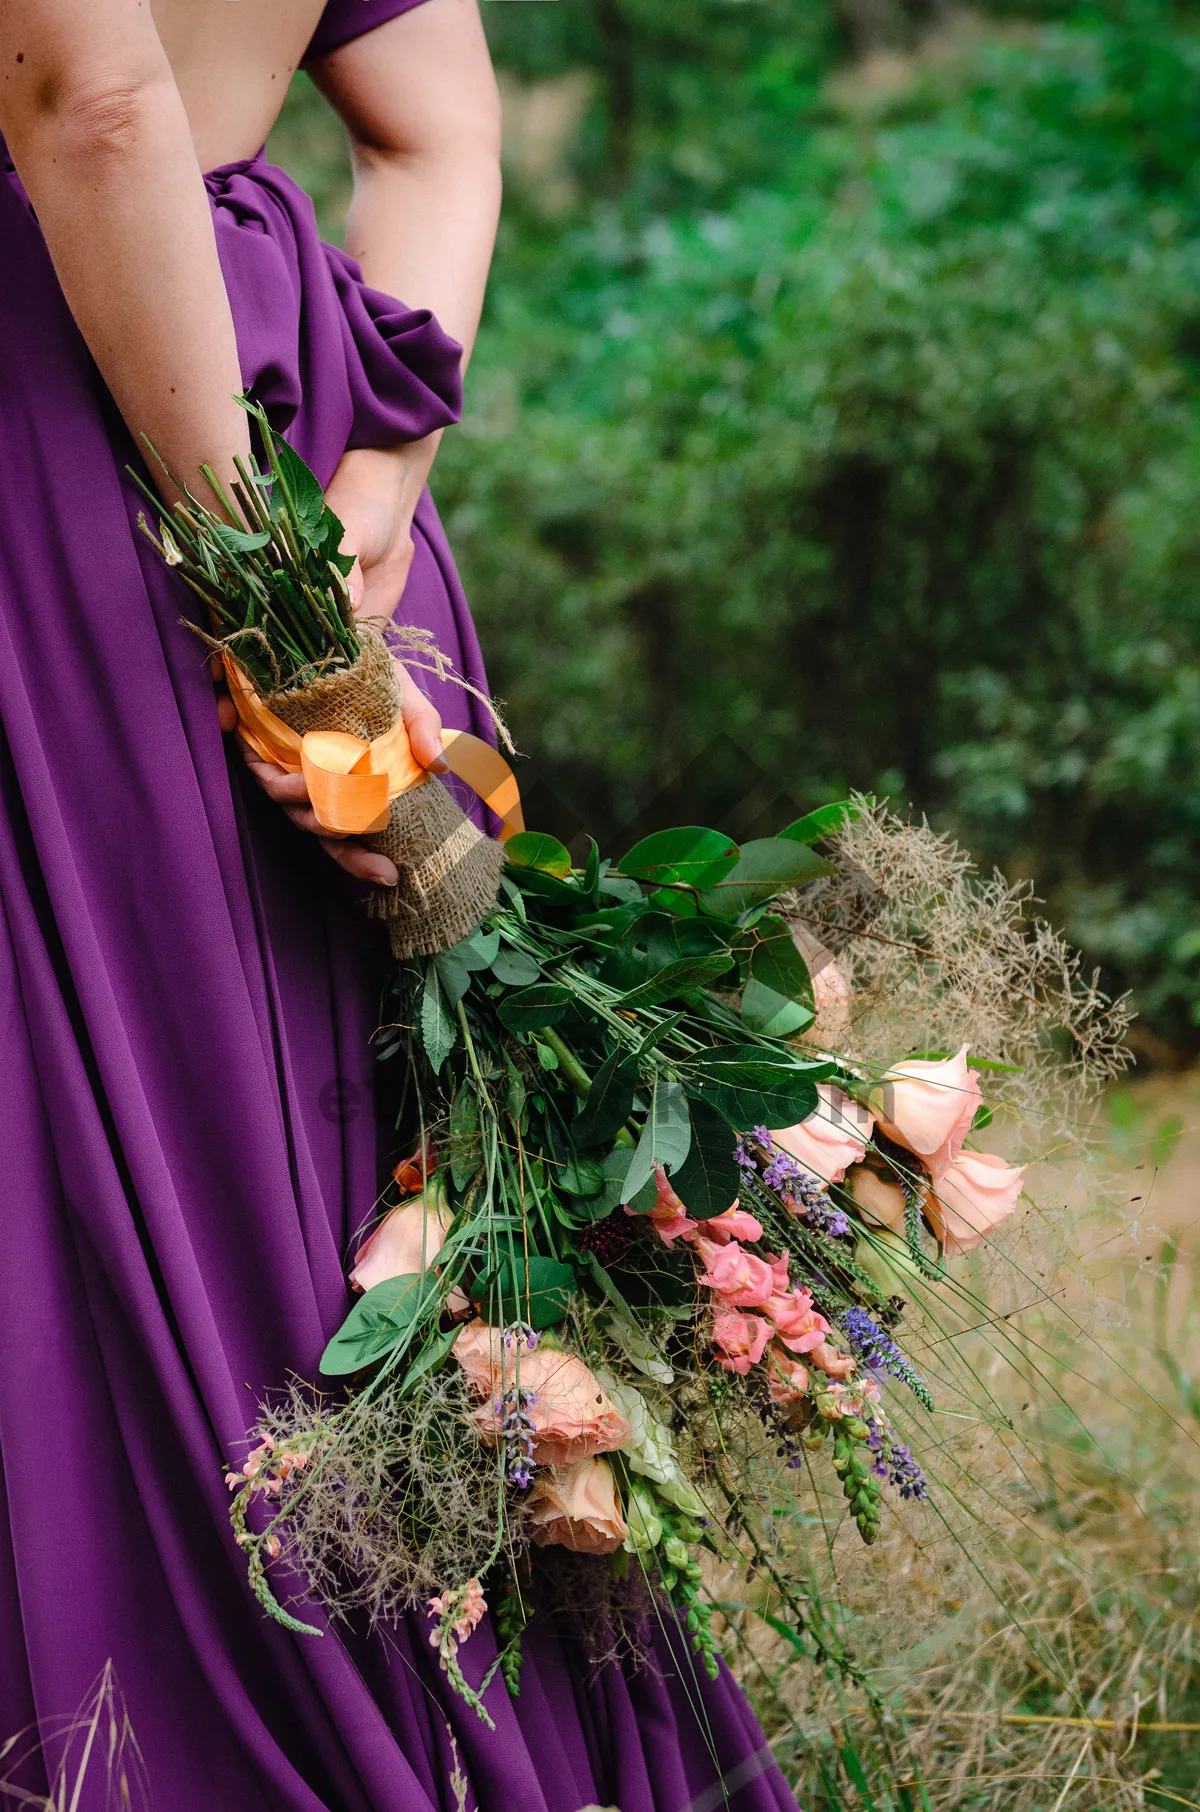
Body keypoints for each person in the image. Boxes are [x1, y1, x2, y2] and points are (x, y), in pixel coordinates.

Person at [0, 1, 800, 1806]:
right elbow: (440, 130)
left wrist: (270, 601)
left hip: (76, 460)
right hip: (278, 439)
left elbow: (95, 105)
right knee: (322, 1116)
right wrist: (367, 493)